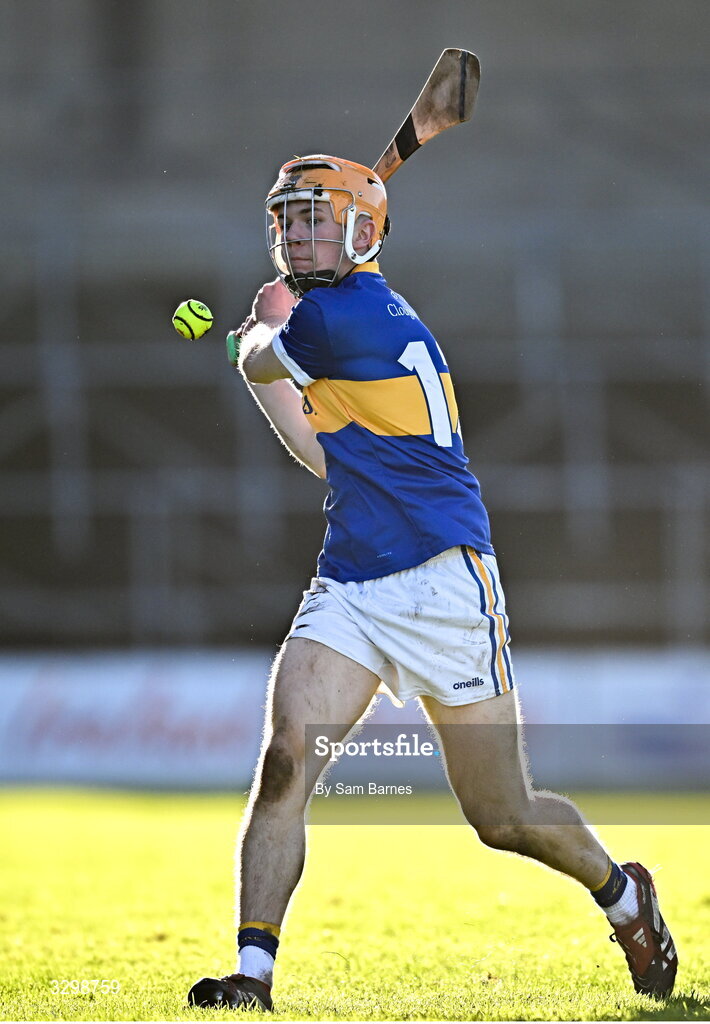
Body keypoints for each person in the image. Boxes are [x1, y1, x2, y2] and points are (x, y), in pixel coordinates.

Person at [187, 156, 677, 1011]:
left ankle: (623, 895)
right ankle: (251, 978)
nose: (296, 236)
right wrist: (257, 353)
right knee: (285, 759)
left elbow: (267, 355)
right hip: (352, 581)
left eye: (315, 218)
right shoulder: (338, 321)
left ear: (361, 231)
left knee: (503, 815)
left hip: (446, 581)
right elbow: (321, 454)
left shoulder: (338, 317)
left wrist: (255, 334)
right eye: (290, 220)